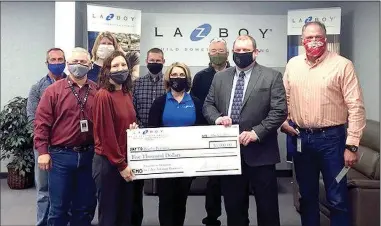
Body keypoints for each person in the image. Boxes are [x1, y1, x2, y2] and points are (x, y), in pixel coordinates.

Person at [281, 21, 366, 226]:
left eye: (318, 37)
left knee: (337, 198)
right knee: (307, 197)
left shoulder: (343, 65)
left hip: (333, 141)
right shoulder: (293, 64)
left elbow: (356, 106)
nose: (314, 41)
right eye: (309, 38)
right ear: (302, 41)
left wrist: (351, 145)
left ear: (325, 39)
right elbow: (285, 98)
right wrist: (283, 121)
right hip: (301, 140)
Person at [203, 35, 287, 226]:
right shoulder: (220, 77)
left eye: (246, 50)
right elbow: (208, 104)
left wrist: (257, 133)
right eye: (238, 50)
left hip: (261, 152)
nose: (241, 54)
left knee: (267, 209)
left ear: (255, 53)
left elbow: (280, 110)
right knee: (234, 208)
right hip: (230, 153)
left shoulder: (271, 76)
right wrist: (217, 118)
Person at [34, 47, 97, 226]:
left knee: (84, 206)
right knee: (58, 207)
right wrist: (43, 152)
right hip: (61, 156)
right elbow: (41, 123)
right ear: (68, 65)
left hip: (88, 156)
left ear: (90, 65)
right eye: (75, 62)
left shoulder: (96, 91)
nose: (79, 65)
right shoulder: (53, 91)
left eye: (83, 62)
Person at [148, 62, 204, 226]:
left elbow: (201, 130)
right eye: (174, 75)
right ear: (168, 78)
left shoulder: (196, 102)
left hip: (188, 161)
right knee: (166, 200)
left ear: (187, 78)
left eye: (181, 75)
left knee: (181, 200)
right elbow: (152, 131)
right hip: (165, 162)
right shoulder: (159, 103)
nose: (178, 78)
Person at [92, 50, 138, 226]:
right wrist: (121, 165)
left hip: (124, 161)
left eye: (123, 65)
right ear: (107, 70)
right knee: (110, 215)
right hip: (109, 164)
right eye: (115, 65)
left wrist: (133, 129)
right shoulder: (104, 95)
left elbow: (124, 124)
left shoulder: (126, 93)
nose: (120, 68)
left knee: (124, 213)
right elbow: (106, 136)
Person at [190, 37, 230, 226]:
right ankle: (212, 217)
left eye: (221, 51)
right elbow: (198, 106)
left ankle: (236, 218)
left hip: (234, 133)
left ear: (228, 52)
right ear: (208, 53)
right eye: (213, 51)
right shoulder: (200, 77)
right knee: (213, 180)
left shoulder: (237, 73)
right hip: (209, 133)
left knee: (234, 180)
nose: (217, 54)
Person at [27, 47, 66, 226]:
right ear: (47, 62)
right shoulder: (37, 88)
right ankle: (42, 223)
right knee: (44, 190)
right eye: (53, 60)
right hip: (44, 146)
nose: (57, 63)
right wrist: (43, 145)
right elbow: (32, 119)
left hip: (66, 147)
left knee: (66, 189)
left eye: (60, 59)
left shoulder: (73, 84)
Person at [131, 47, 166, 226]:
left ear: (163, 62)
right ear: (146, 62)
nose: (154, 63)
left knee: (165, 188)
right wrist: (142, 132)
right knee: (136, 187)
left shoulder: (169, 83)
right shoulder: (137, 84)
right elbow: (132, 110)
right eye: (151, 61)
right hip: (141, 140)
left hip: (163, 141)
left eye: (158, 61)